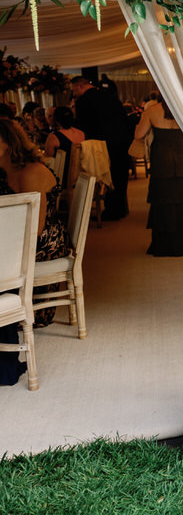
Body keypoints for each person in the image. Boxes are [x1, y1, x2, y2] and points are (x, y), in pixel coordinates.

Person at [0, 119, 70, 385]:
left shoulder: (30, 172)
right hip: (14, 239)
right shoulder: (4, 171)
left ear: (8, 143)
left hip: (43, 243)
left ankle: (12, 311)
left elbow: (35, 230)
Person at [133, 98, 183, 256]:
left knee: (162, 201)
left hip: (163, 160)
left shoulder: (151, 110)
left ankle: (164, 246)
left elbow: (138, 134)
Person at [71, 76, 132, 220]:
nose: (73, 93)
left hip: (102, 145)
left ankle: (112, 211)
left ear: (80, 86)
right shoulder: (110, 96)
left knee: (108, 177)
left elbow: (82, 127)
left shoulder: (83, 102)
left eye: (74, 90)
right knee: (120, 176)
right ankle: (121, 208)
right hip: (122, 141)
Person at [43, 106, 85, 189]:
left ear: (57, 121)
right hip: (82, 177)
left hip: (63, 180)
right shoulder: (81, 134)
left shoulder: (54, 137)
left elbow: (47, 161)